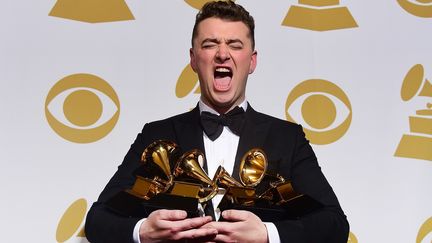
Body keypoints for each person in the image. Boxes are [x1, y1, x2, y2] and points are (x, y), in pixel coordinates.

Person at [85, 1, 349, 242]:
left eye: (235, 45)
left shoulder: (287, 138)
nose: (223, 54)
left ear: (252, 61)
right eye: (210, 44)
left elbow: (334, 224)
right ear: (193, 59)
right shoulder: (156, 134)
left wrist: (267, 234)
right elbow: (98, 221)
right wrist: (143, 231)